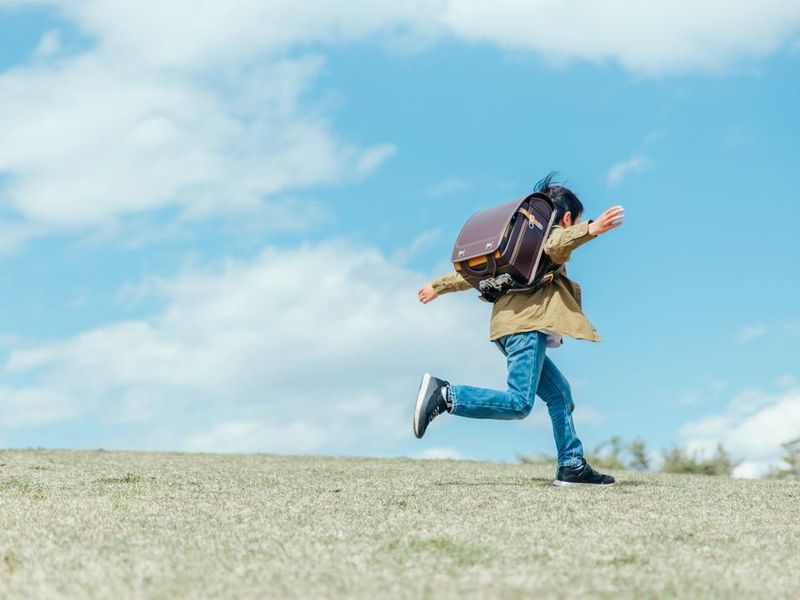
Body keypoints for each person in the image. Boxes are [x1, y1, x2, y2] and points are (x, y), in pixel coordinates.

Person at [414, 173, 624, 486]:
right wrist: (591, 229)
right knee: (519, 403)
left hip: (509, 327)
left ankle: (571, 465)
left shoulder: (519, 246)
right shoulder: (547, 237)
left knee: (559, 394)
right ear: (566, 218)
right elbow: (558, 242)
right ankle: (445, 395)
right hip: (525, 327)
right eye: (574, 221)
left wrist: (437, 286)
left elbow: (471, 272)